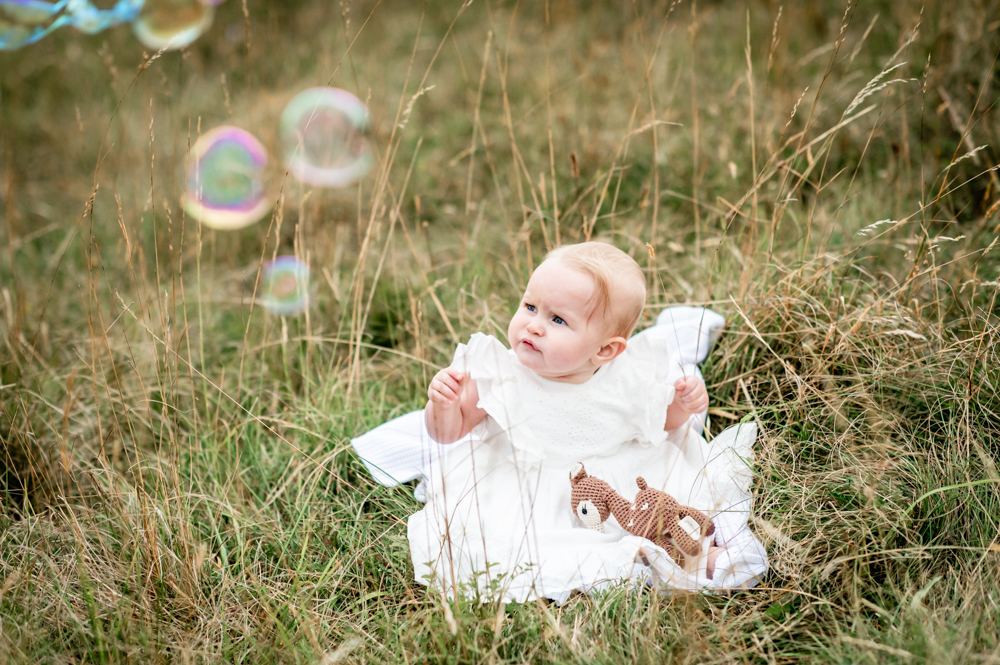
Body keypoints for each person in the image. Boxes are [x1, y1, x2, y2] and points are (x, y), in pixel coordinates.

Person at [407, 242, 766, 603]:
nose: (533, 326)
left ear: (605, 350)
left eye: (557, 320)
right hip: (526, 486)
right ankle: (662, 564)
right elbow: (447, 433)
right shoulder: (500, 375)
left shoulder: (625, 377)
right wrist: (443, 404)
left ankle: (701, 557)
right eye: (530, 306)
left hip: (617, 479)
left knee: (658, 517)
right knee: (517, 545)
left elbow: (662, 422)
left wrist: (685, 405)